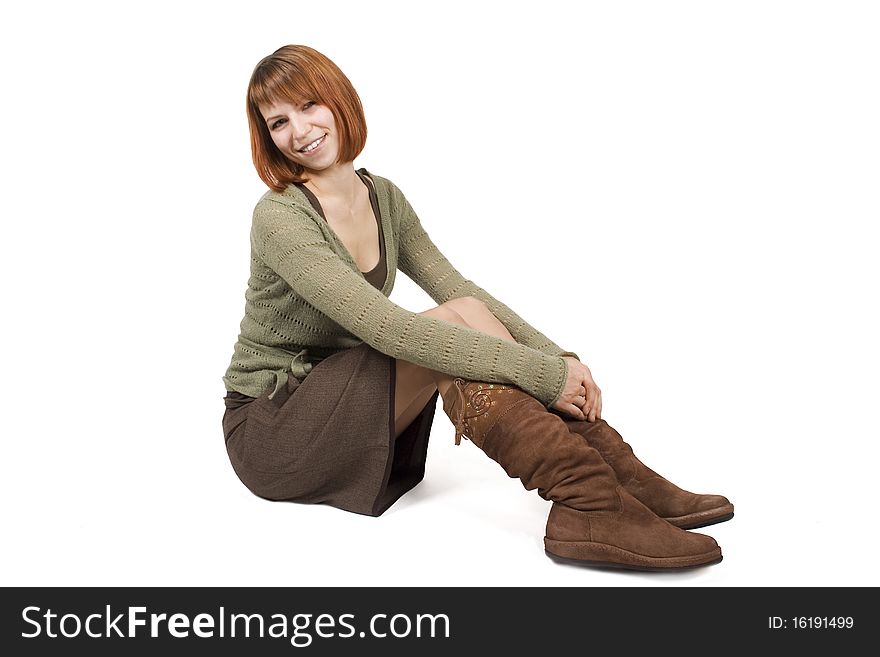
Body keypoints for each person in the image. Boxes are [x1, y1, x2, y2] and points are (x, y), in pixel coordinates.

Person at [221, 44, 733, 571]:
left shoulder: (384, 196)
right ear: (269, 138)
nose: (299, 130)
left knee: (462, 307)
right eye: (279, 121)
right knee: (442, 333)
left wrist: (560, 359)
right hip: (274, 425)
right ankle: (587, 499)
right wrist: (540, 374)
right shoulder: (280, 217)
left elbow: (456, 287)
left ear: (338, 100)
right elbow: (386, 329)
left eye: (308, 105)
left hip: (344, 396)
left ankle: (614, 482)